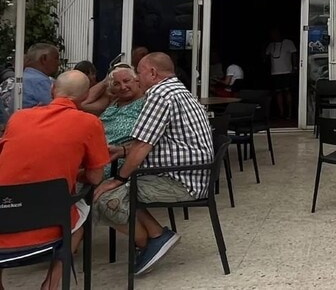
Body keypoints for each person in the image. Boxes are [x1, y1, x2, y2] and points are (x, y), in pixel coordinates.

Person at [92, 53, 213, 276]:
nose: (137, 78)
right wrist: (124, 150)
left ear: (152, 73)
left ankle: (153, 239)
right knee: (118, 188)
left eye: (138, 72)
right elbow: (155, 140)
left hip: (179, 180)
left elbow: (142, 146)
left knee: (105, 196)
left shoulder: (159, 95)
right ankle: (154, 238)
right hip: (192, 175)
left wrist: (119, 179)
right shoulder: (178, 90)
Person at [0, 70, 109, 290]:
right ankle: (51, 284)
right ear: (86, 97)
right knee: (83, 210)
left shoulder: (18, 117)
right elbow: (95, 177)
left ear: (52, 90)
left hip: (3, 218)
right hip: (50, 223)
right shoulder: (89, 123)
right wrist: (69, 172)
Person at [100, 65, 147, 147]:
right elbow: (83, 104)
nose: (123, 87)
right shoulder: (113, 103)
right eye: (116, 84)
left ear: (137, 80)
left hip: (122, 154)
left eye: (126, 81)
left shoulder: (146, 103)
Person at [265, 29, 298, 119]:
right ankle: (281, 113)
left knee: (287, 91)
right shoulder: (271, 45)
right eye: (272, 34)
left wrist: (295, 67)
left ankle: (290, 113)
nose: (273, 36)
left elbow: (294, 54)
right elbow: (266, 56)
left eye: (275, 33)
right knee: (278, 92)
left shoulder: (288, 43)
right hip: (275, 72)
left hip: (287, 71)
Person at [22, 43, 60, 108]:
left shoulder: (24, 77)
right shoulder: (40, 81)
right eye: (56, 58)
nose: (59, 63)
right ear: (43, 59)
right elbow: (56, 108)